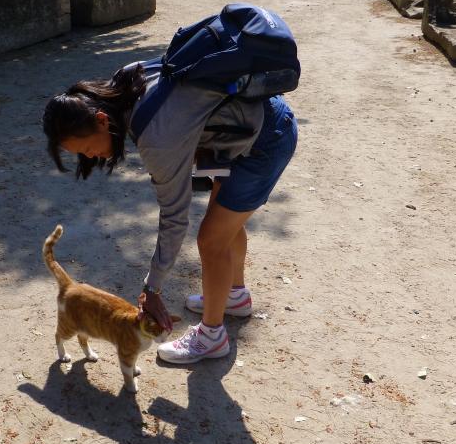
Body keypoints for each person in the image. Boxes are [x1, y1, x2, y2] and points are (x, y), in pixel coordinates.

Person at [41, 40, 298, 365]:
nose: (90, 157)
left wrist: (153, 288)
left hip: (263, 141)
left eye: (87, 148)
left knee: (210, 239)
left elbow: (175, 217)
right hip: (245, 128)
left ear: (102, 120)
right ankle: (234, 296)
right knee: (225, 224)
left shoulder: (156, 139)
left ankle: (212, 336)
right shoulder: (125, 79)